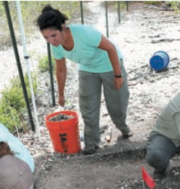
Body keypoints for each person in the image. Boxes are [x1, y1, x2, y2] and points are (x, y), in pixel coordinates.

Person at [37, 5, 132, 155]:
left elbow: (111, 48)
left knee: (116, 104)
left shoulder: (85, 33)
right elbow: (61, 69)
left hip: (109, 65)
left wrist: (118, 75)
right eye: (46, 37)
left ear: (62, 27)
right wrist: (60, 94)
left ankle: (123, 127)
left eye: (53, 35)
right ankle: (91, 142)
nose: (51, 40)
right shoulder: (55, 46)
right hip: (87, 68)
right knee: (88, 107)